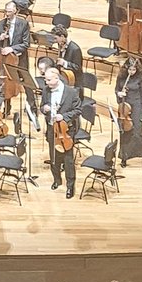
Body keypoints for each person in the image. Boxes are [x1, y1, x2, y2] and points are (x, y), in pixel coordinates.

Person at [40, 65, 82, 196]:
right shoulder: (46, 91)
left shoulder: (72, 92)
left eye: (49, 80)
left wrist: (63, 116)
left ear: (57, 78)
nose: (46, 83)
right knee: (54, 157)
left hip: (66, 131)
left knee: (68, 160)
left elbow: (78, 110)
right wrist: (44, 108)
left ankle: (70, 186)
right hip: (52, 129)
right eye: (45, 80)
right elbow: (42, 106)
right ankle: (57, 180)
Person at [114, 55, 142, 169]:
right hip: (125, 106)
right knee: (125, 131)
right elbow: (116, 90)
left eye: (133, 69)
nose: (131, 72)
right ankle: (125, 156)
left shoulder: (140, 78)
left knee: (138, 131)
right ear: (126, 68)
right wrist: (119, 94)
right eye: (129, 69)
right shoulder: (121, 77)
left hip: (137, 104)